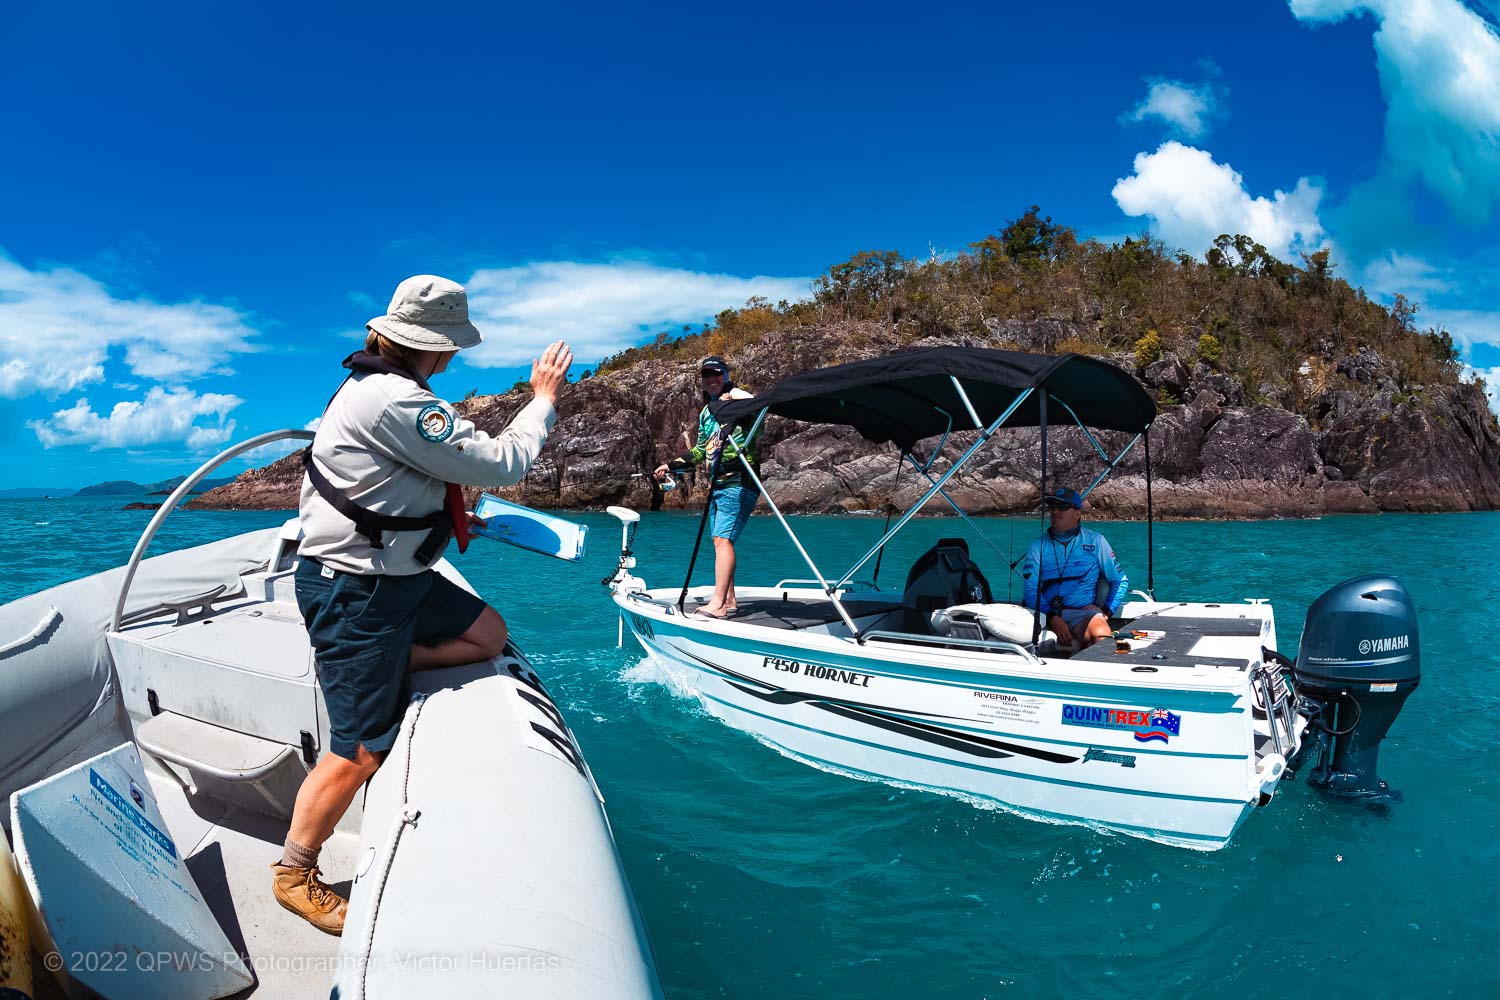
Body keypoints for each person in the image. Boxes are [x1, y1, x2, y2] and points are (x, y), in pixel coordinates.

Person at [272, 274, 572, 935]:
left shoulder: (380, 388)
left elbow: (401, 480)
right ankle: (294, 873)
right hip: (357, 591)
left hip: (397, 579)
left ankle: (378, 666)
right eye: (452, 344)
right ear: (433, 346)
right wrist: (542, 400)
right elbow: (502, 461)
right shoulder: (398, 401)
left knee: (487, 634)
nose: (455, 354)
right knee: (359, 751)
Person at [653, 355, 759, 619]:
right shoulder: (705, 413)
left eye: (716, 374)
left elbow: (758, 409)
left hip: (739, 480)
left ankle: (718, 605)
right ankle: (729, 600)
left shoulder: (739, 402)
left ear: (725, 375)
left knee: (723, 540)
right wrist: (670, 465)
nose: (711, 379)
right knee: (720, 541)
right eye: (706, 376)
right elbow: (700, 450)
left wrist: (734, 396)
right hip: (718, 484)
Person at [1020, 486, 1128, 649]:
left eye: (1062, 507)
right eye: (1052, 507)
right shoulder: (1037, 547)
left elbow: (1119, 581)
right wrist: (1052, 618)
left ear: (1078, 513)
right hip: (1044, 613)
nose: (1055, 512)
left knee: (1102, 638)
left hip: (1083, 613)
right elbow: (1031, 590)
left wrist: (1106, 611)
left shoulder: (1096, 541)